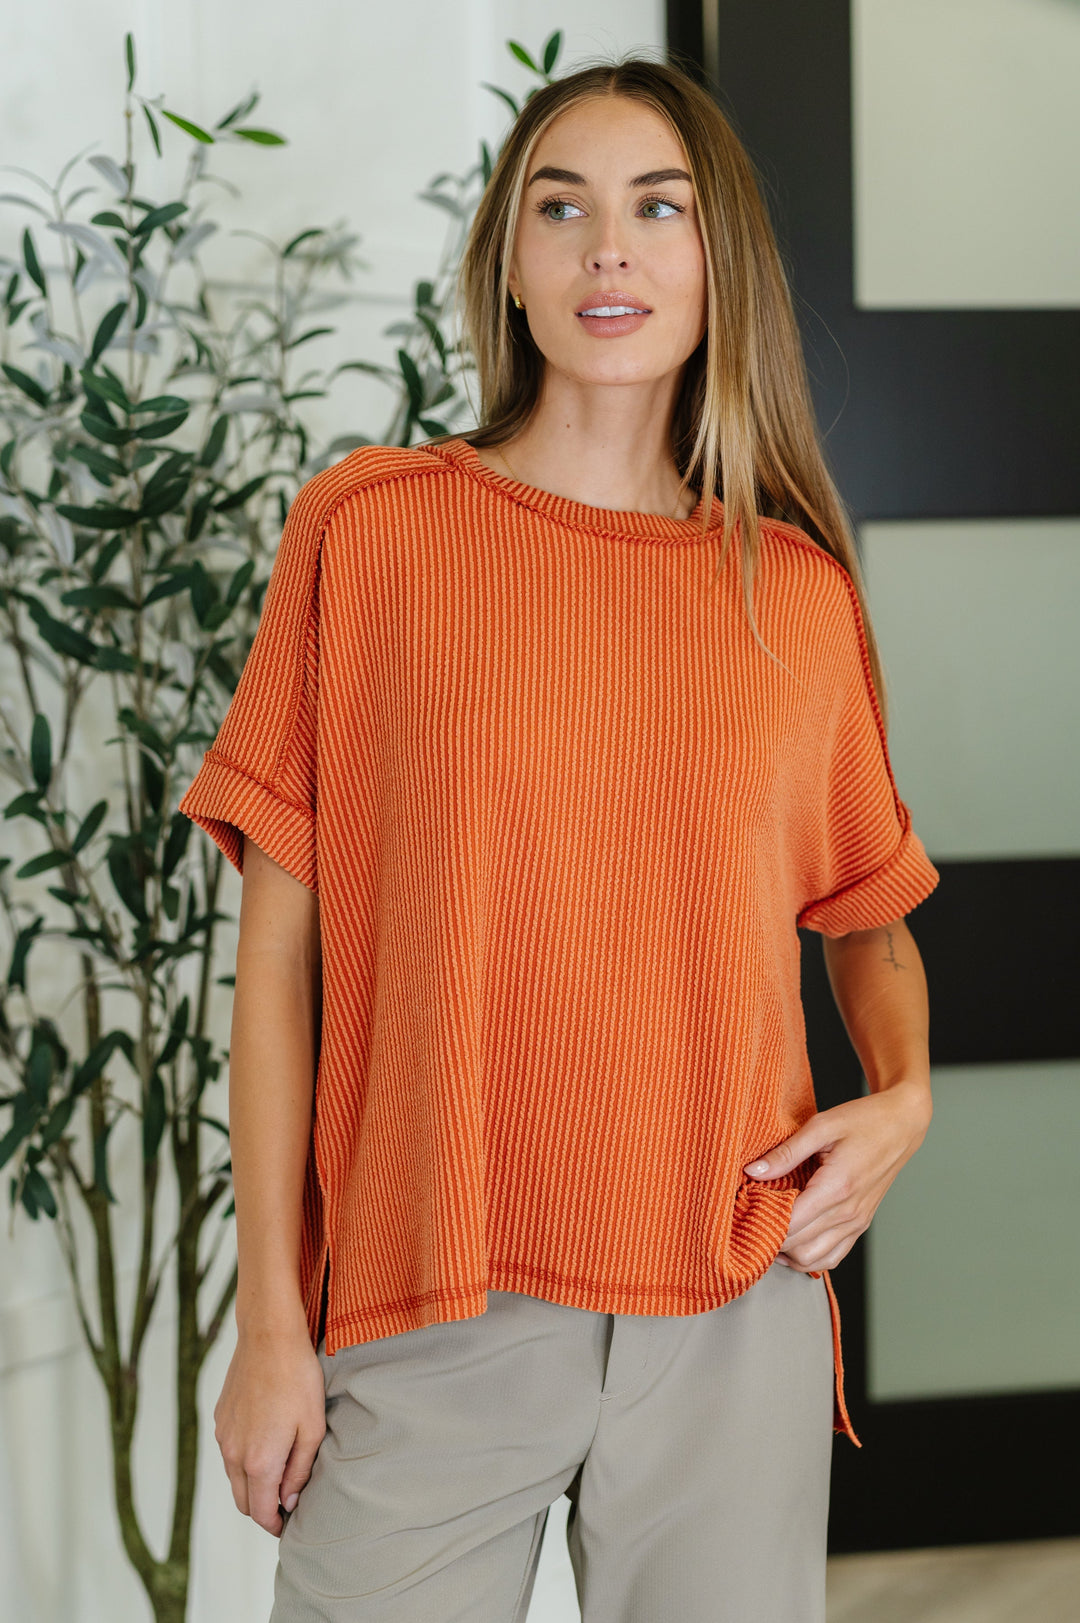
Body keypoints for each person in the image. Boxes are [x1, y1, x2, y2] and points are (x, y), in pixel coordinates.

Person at [178, 54, 940, 1623]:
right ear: (509, 267)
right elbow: (275, 968)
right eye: (562, 208)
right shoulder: (370, 534)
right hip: (431, 1291)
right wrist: (267, 1327)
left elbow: (868, 915)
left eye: (660, 209)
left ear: (718, 265)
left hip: (731, 1301)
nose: (609, 249)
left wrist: (906, 1098)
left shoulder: (795, 591)